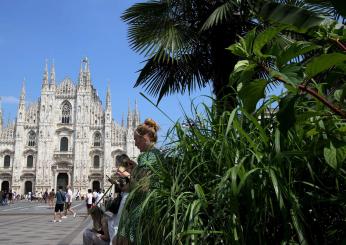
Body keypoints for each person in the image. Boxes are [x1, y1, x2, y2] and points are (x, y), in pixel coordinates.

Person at [114, 118, 161, 245]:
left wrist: (127, 174)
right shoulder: (155, 154)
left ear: (145, 137)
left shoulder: (147, 156)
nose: (134, 143)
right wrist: (134, 169)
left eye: (136, 139)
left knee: (120, 240)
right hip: (147, 206)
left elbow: (143, 186)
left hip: (141, 208)